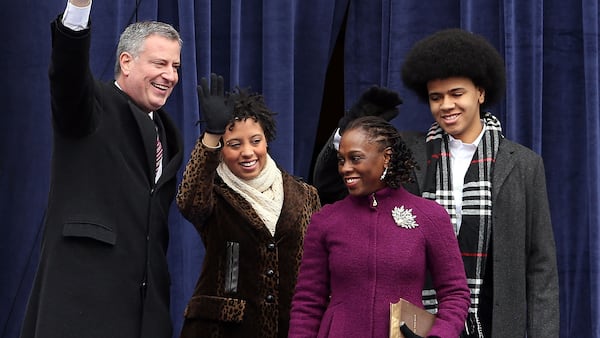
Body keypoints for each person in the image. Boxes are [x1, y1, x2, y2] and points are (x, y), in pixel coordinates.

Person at [20, 0, 183, 337]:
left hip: (143, 315)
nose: (170, 75)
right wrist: (79, 8)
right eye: (160, 63)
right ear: (126, 61)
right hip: (83, 308)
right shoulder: (91, 107)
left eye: (175, 66)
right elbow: (67, 73)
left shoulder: (168, 134)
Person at [400, 28, 559, 337]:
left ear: (480, 93)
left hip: (495, 323)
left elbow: (541, 267)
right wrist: (349, 126)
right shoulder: (408, 154)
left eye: (456, 93)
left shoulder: (524, 164)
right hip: (421, 323)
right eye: (436, 97)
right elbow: (337, 175)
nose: (446, 105)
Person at [288, 116, 470, 338]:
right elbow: (308, 302)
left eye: (355, 158)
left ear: (386, 157)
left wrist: (439, 335)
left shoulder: (430, 216)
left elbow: (455, 293)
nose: (345, 168)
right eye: (341, 160)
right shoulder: (325, 220)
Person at [176, 74, 321, 337]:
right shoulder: (212, 193)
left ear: (267, 140)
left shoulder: (304, 195)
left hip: (289, 330)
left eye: (255, 141)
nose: (247, 152)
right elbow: (189, 202)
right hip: (221, 330)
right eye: (234, 144)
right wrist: (211, 135)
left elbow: (316, 267)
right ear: (221, 150)